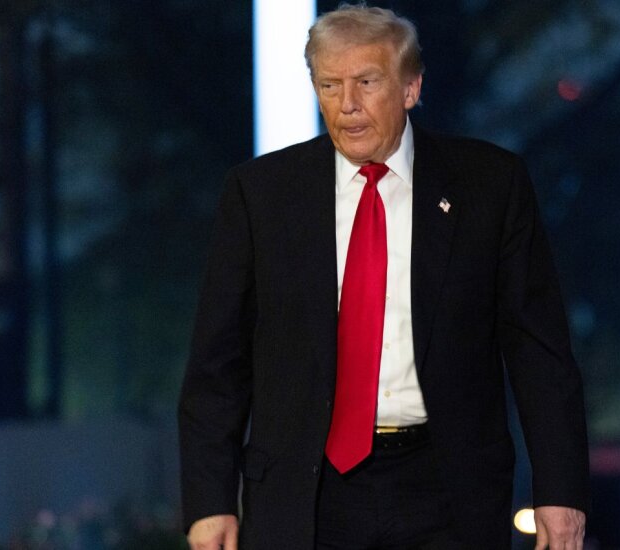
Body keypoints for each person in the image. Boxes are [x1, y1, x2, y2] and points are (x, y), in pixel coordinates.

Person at [178, 4, 589, 549]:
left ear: (411, 88)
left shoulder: (489, 186)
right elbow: (218, 363)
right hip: (306, 494)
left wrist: (560, 491)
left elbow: (539, 351)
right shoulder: (261, 194)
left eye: (367, 82)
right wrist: (209, 501)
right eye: (329, 85)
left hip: (449, 491)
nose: (346, 104)